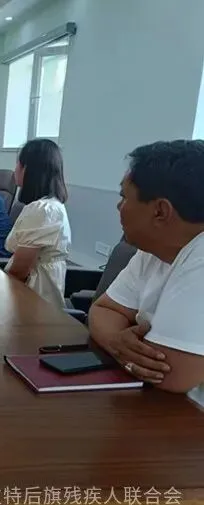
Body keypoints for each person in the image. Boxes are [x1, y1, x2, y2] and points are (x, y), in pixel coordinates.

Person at [89, 140, 204, 393]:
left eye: (124, 197)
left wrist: (122, 345)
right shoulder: (153, 249)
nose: (118, 207)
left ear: (160, 211)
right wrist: (116, 341)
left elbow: (171, 373)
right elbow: (103, 309)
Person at [4, 139, 71, 309]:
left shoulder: (42, 210)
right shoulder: (48, 205)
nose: (15, 169)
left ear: (29, 169)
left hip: (33, 298)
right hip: (32, 292)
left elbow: (20, 271)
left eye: (18, 163)